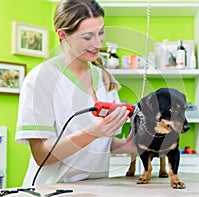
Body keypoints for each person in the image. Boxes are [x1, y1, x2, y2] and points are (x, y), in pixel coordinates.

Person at [15, 0, 136, 187]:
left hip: (95, 189)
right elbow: (41, 155)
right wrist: (91, 133)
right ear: (63, 35)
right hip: (51, 189)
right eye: (87, 37)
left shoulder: (104, 79)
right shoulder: (41, 79)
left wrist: (126, 145)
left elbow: (101, 144)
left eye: (101, 32)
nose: (98, 43)